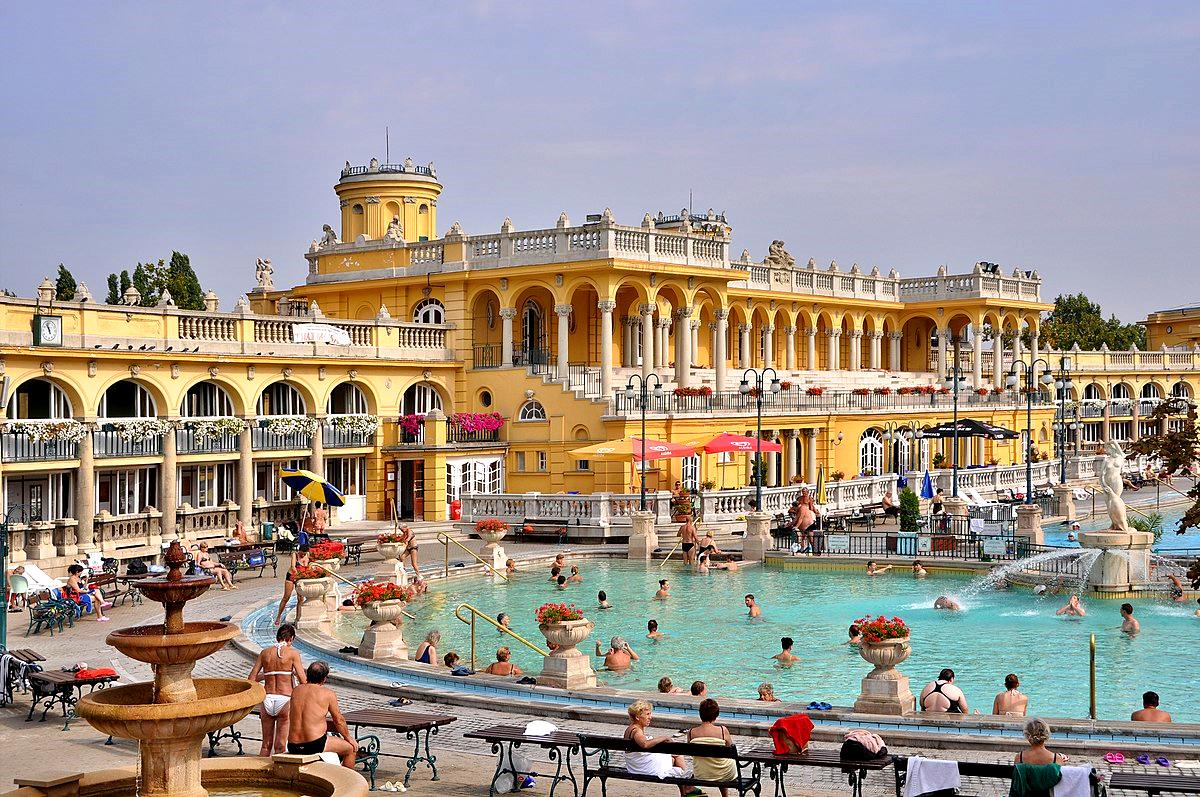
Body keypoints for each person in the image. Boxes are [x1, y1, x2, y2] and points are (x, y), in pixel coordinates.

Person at [249, 624, 306, 756]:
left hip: (267, 699)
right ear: (291, 638)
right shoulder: (293, 654)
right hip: (285, 700)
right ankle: (277, 775)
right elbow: (303, 681)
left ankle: (260, 776)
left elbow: (251, 678)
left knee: (265, 745)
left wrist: (268, 674)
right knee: (280, 746)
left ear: (277, 637)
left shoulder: (265, 653)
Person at [286, 661, 356, 767]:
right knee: (351, 749)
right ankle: (344, 781)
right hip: (315, 744)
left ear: (308, 674)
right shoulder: (328, 694)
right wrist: (349, 738)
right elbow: (339, 720)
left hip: (292, 745)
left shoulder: (296, 691)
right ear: (324, 679)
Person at [622, 701, 690, 793]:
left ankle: (686, 789)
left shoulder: (630, 728)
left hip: (636, 766)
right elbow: (645, 744)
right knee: (677, 755)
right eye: (647, 714)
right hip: (643, 769)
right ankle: (688, 788)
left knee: (673, 759)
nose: (650, 717)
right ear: (638, 717)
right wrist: (664, 737)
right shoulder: (636, 730)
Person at [688, 699, 736, 797]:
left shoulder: (691, 732)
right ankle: (725, 795)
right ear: (716, 715)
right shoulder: (722, 731)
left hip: (701, 773)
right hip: (724, 773)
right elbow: (731, 752)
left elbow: (691, 754)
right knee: (721, 763)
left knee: (713, 762)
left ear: (700, 714)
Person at [274, 545, 311, 626]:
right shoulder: (295, 555)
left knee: (300, 598)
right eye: (302, 554)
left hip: (301, 578)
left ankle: (297, 618)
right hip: (292, 576)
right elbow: (293, 567)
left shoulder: (308, 555)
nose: (303, 555)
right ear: (299, 551)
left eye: (304, 554)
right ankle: (278, 617)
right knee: (286, 597)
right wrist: (300, 575)